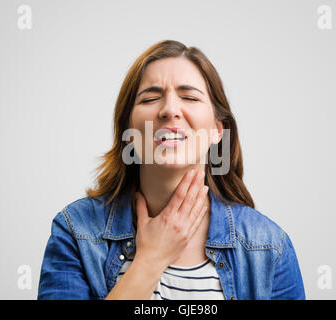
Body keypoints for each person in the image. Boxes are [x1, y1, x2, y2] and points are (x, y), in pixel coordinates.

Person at [37, 40, 306, 300]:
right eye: (150, 98)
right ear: (129, 133)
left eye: (189, 97)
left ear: (217, 131)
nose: (169, 110)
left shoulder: (269, 246)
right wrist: (151, 259)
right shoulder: (76, 230)